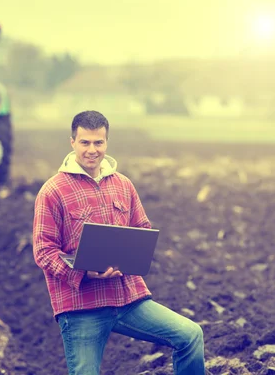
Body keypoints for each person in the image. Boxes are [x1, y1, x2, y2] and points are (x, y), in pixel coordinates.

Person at [32, 110, 206, 375]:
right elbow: (44, 251)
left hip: (128, 299)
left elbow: (142, 228)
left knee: (190, 335)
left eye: (98, 142)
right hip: (82, 307)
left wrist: (131, 257)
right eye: (85, 142)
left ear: (106, 142)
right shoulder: (53, 191)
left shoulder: (123, 185)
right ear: (72, 142)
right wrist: (82, 271)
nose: (92, 150)